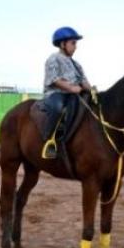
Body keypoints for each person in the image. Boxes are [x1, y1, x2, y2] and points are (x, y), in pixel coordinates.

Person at [41, 26, 92, 159]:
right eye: (73, 43)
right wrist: (71, 88)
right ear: (63, 44)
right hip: (56, 94)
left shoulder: (76, 64)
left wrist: (91, 89)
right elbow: (55, 79)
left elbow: (83, 81)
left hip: (74, 95)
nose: (75, 46)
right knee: (58, 109)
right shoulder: (53, 59)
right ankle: (49, 141)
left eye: (75, 43)